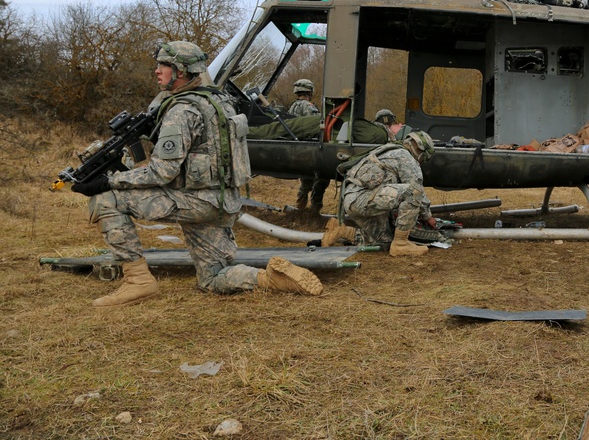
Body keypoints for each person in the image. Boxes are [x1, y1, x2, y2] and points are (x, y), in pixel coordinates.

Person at [70, 41, 322, 307]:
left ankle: (138, 281)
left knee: (106, 199)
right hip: (223, 202)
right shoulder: (218, 101)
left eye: (164, 66)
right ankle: (269, 279)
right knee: (213, 278)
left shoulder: (181, 111)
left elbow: (161, 173)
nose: (157, 71)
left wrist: (109, 180)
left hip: (196, 202)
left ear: (181, 71)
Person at [328, 131, 436, 257]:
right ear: (420, 150)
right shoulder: (405, 157)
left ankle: (344, 232)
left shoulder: (387, 149)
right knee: (413, 192)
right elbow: (417, 191)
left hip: (354, 201)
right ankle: (401, 244)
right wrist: (428, 216)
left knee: (385, 241)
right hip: (364, 199)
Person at [288, 78, 330, 212]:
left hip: (297, 147)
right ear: (309, 91)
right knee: (318, 179)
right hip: (308, 147)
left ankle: (300, 208)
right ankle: (312, 210)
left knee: (305, 181)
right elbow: (317, 125)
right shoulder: (308, 106)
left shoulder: (293, 106)